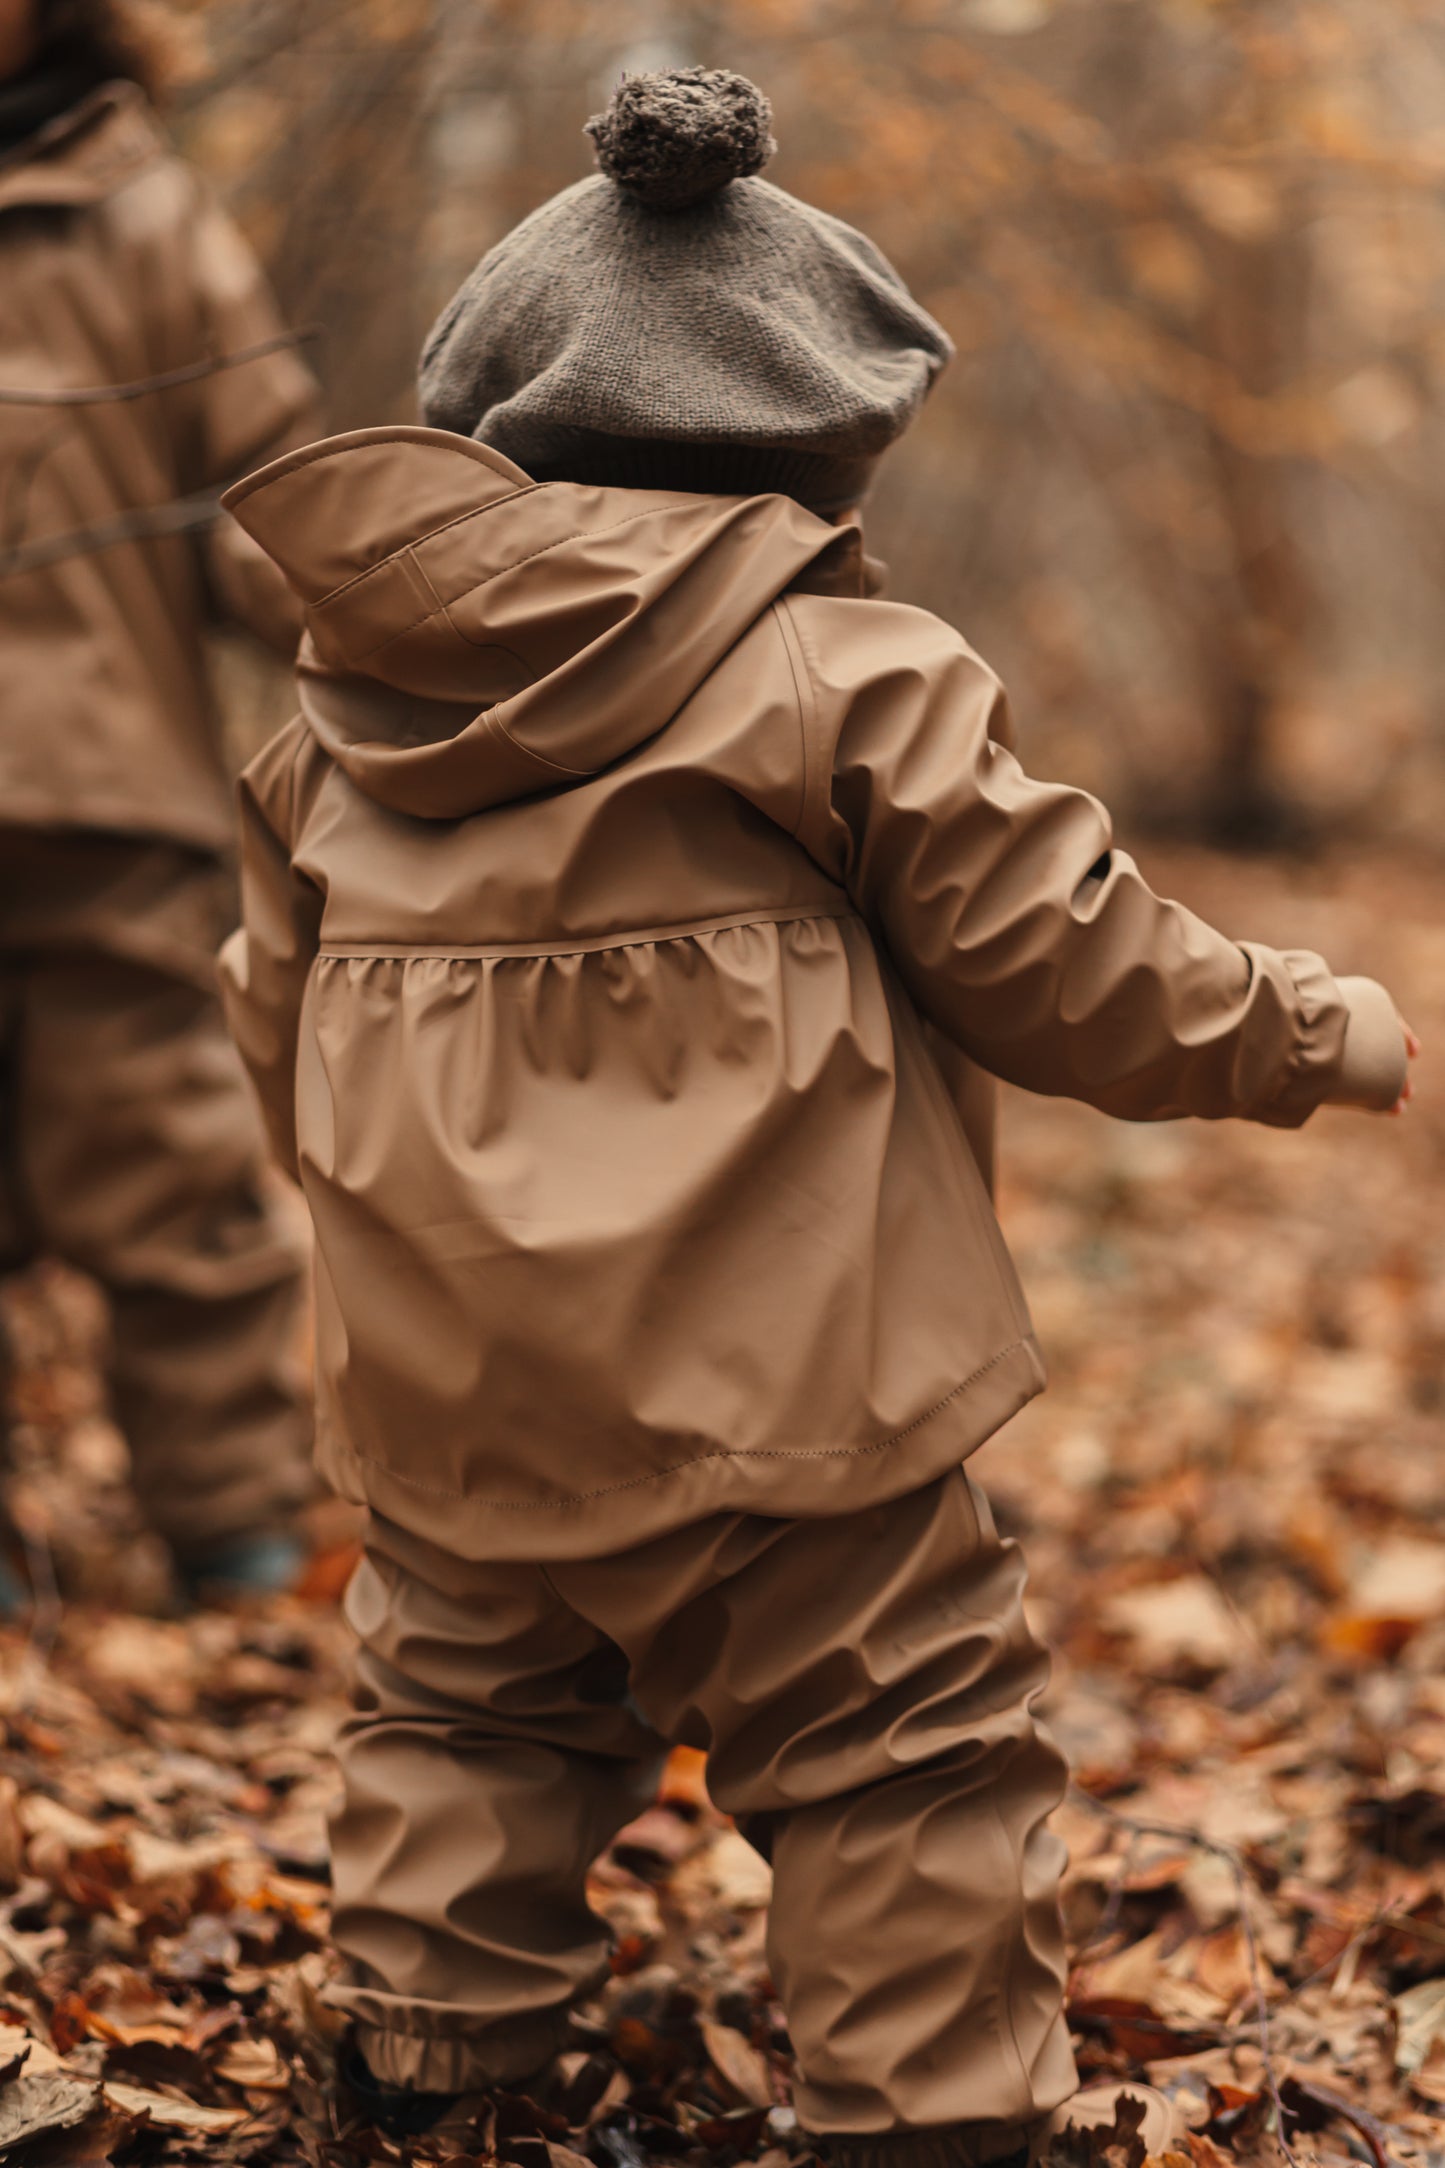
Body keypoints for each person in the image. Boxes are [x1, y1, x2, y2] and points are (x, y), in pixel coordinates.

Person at [218, 67, 1416, 2164]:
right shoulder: (848, 679)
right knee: (901, 1747)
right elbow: (1075, 959)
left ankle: (428, 2075)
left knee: (459, 1708)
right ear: (817, 433)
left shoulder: (335, 734)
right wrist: (1313, 1029)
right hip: (794, 1410)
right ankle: (933, 2120)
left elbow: (271, 1037)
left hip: (454, 1389)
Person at [0, 0, 323, 1602]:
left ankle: (237, 1525)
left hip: (101, 791)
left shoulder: (138, 207)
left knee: (166, 1167)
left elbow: (257, 486)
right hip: (100, 779)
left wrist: (389, 632)